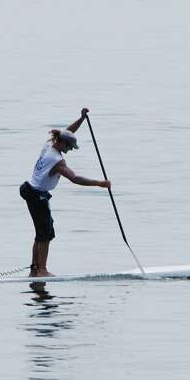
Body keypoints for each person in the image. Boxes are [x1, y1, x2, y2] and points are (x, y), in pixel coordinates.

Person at [19, 108, 111, 278]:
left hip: (30, 189)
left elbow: (68, 132)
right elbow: (75, 178)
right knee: (45, 235)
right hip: (37, 194)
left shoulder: (50, 144)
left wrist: (81, 119)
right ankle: (42, 270)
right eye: (69, 147)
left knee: (41, 233)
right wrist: (100, 183)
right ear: (61, 144)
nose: (70, 150)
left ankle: (34, 270)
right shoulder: (57, 161)